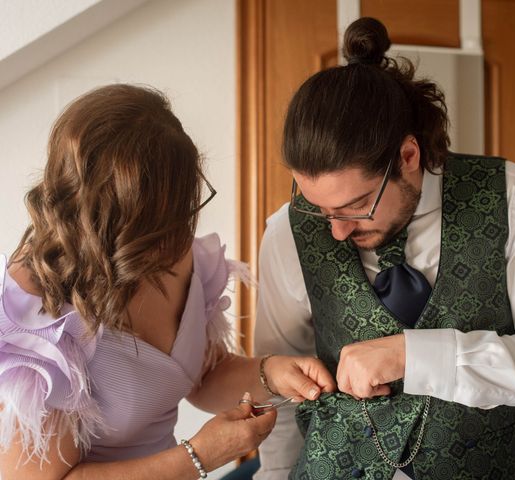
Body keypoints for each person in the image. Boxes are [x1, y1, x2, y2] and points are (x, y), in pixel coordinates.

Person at [253, 17, 515, 480]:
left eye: (356, 206)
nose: (335, 231)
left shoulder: (510, 196)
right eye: (320, 208)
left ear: (408, 157)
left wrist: (412, 355)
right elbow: (281, 396)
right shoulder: (288, 231)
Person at [0, 84, 336, 480]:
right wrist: (199, 456)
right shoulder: (43, 313)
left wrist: (270, 373)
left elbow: (204, 377)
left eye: (184, 207)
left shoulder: (178, 252)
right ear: (113, 218)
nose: (180, 235)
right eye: (163, 220)